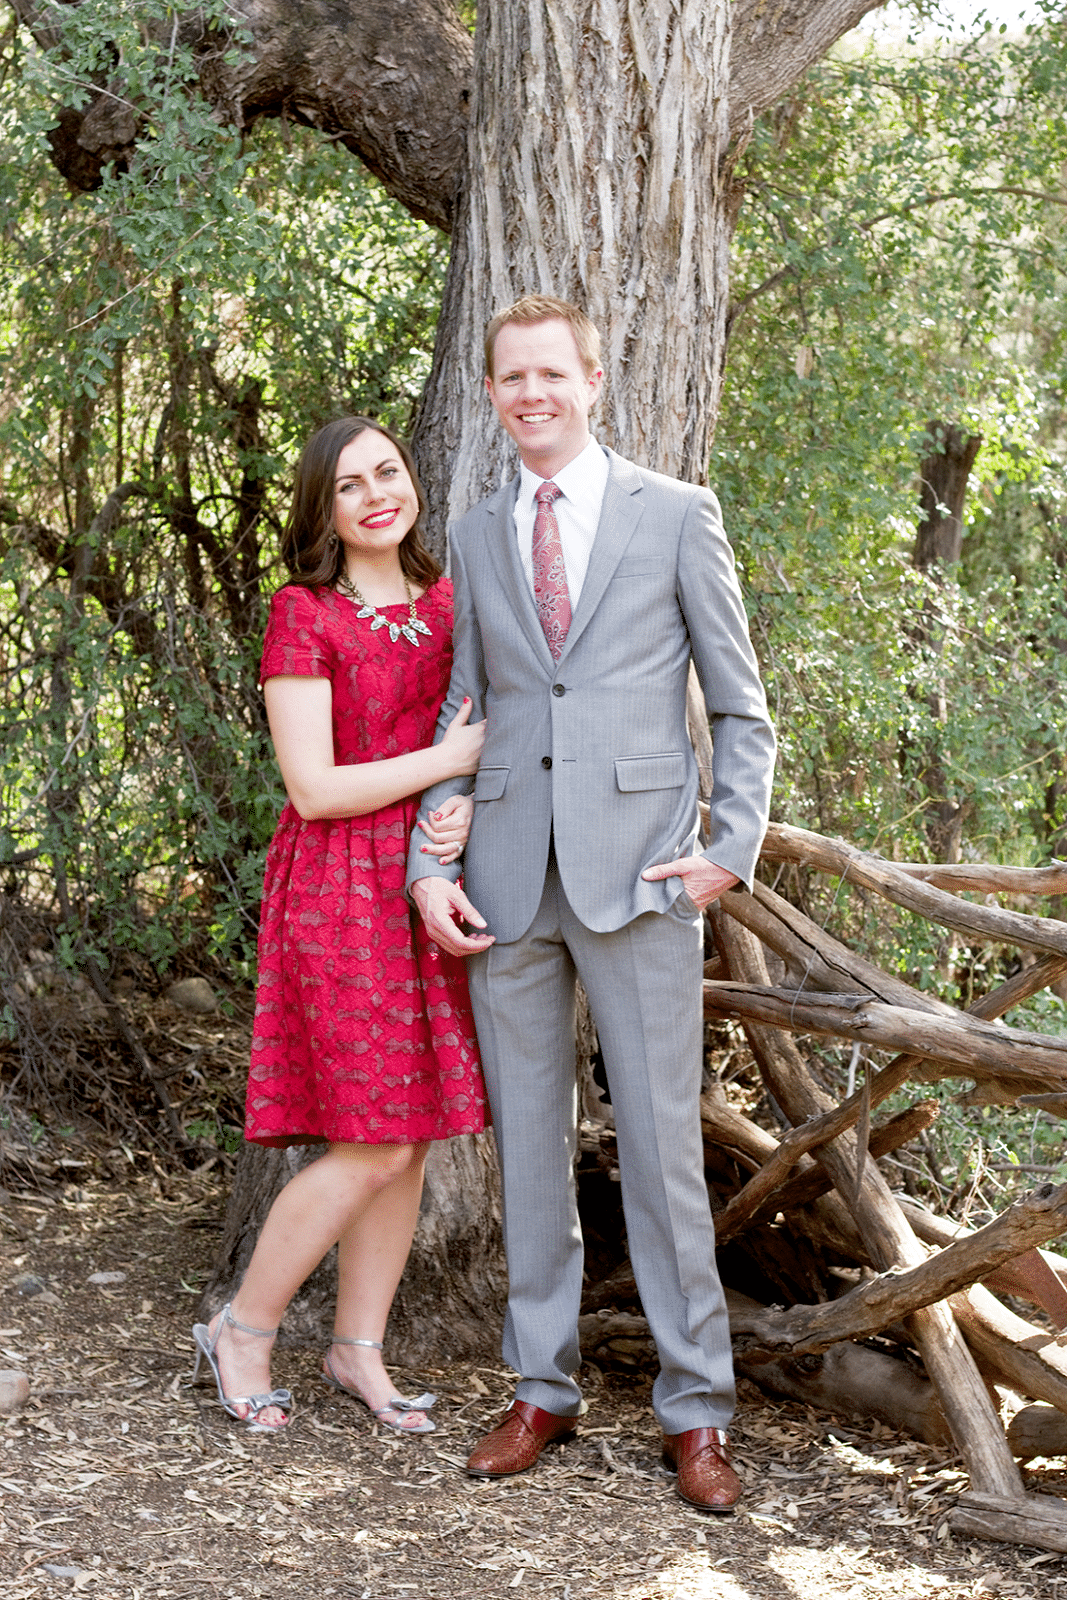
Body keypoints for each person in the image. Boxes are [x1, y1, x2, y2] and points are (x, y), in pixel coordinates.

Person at [407, 296, 776, 1511]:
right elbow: (466, 713)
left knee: (665, 1153)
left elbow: (736, 704)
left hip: (643, 873)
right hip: (508, 881)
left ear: (592, 380)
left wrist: (727, 847)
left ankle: (696, 1412)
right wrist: (429, 862)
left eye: (550, 374)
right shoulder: (472, 532)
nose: (531, 395)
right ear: (495, 392)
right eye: (511, 378)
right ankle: (540, 1389)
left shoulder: (674, 513)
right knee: (527, 1150)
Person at [193, 416, 487, 1434]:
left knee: (407, 1140)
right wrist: (452, 764)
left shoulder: (451, 601)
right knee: (368, 1137)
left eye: (388, 473)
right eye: (348, 486)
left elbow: (498, 726)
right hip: (337, 886)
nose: (374, 496)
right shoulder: (303, 612)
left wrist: (463, 795)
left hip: (431, 882)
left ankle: (357, 1348)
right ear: (322, 510)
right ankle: (244, 1325)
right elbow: (312, 788)